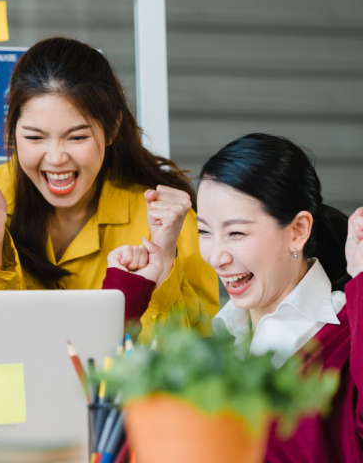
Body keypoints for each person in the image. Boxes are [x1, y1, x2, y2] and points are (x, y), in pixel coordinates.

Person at [0, 36, 218, 333]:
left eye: (77, 137)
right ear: (12, 131)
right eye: (34, 137)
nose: (56, 158)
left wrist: (164, 262)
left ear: (112, 129)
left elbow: (194, 360)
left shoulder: (167, 225)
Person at [105, 133, 363, 462]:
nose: (216, 257)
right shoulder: (217, 345)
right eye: (205, 232)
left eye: (236, 233)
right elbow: (102, 410)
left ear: (297, 230)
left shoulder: (348, 340)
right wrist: (132, 289)